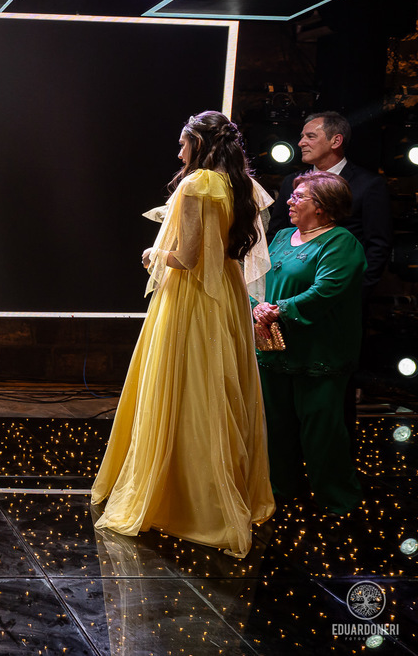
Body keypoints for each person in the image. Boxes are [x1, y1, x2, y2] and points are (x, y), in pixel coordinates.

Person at [92, 111, 274, 559]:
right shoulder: (243, 186)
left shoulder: (197, 185)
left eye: (183, 143)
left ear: (200, 144)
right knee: (220, 387)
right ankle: (226, 491)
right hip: (227, 298)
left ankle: (185, 499)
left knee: (185, 390)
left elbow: (188, 258)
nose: (178, 152)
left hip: (191, 301)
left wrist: (154, 253)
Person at [253, 171, 364, 514]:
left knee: (322, 431)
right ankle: (281, 492)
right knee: (276, 427)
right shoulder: (284, 236)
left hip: (319, 352)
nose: (289, 200)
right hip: (273, 347)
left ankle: (337, 500)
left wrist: (279, 309)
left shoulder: (341, 242)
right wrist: (257, 306)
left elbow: (327, 289)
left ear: (323, 207)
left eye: (299, 196)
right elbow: (258, 278)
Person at [266, 111, 391, 294]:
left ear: (336, 141)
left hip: (343, 290)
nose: (301, 143)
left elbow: (379, 245)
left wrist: (358, 289)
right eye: (301, 137)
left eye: (310, 136)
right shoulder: (291, 182)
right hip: (289, 289)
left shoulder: (369, 184)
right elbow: (276, 235)